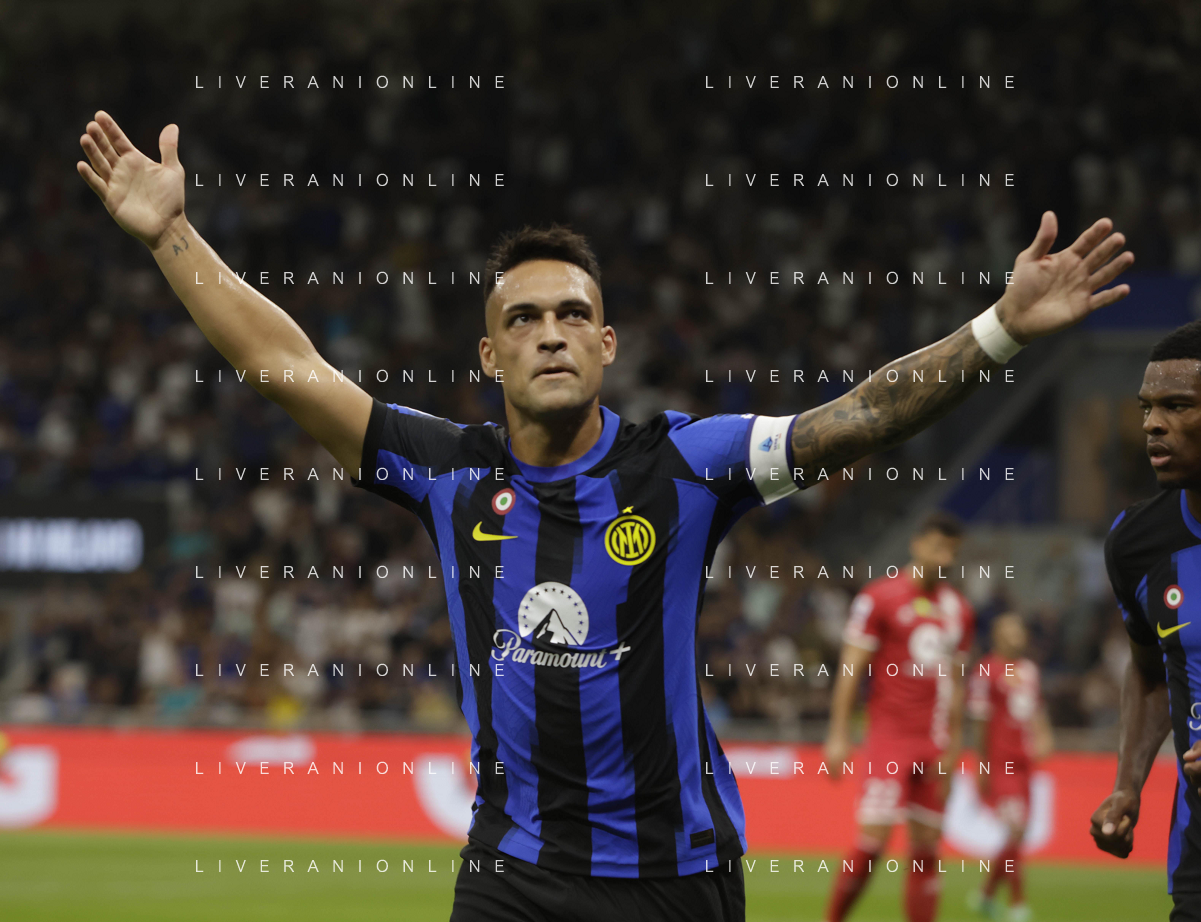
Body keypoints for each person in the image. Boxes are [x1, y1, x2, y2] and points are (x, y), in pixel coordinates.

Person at [77, 111, 1133, 922]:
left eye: (572, 314)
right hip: (513, 872)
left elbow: (856, 416)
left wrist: (998, 329)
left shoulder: (685, 463)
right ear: (490, 355)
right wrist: (172, 236)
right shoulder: (449, 471)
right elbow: (287, 366)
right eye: (523, 318)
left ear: (606, 344)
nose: (550, 332)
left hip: (677, 877)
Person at [1093, 320, 1201, 921]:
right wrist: (1128, 783)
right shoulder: (1135, 543)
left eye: (1177, 406)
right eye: (1146, 408)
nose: (1151, 424)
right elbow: (1152, 673)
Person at [823, 512, 974, 922]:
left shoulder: (959, 609)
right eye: (938, 548)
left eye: (952, 552)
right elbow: (851, 668)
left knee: (927, 845)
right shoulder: (879, 597)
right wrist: (838, 734)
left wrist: (955, 746)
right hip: (890, 737)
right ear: (917, 544)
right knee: (874, 839)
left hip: (935, 742)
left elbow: (956, 683)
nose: (945, 559)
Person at [966, 611, 1053, 922]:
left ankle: (986, 894)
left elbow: (1036, 708)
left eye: (1020, 630)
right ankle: (1018, 903)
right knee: (1015, 829)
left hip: (1024, 762)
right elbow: (980, 722)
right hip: (1000, 762)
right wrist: (982, 766)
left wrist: (1044, 734)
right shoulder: (986, 670)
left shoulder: (1029, 670)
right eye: (1011, 631)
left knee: (1020, 831)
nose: (1018, 636)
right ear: (998, 636)